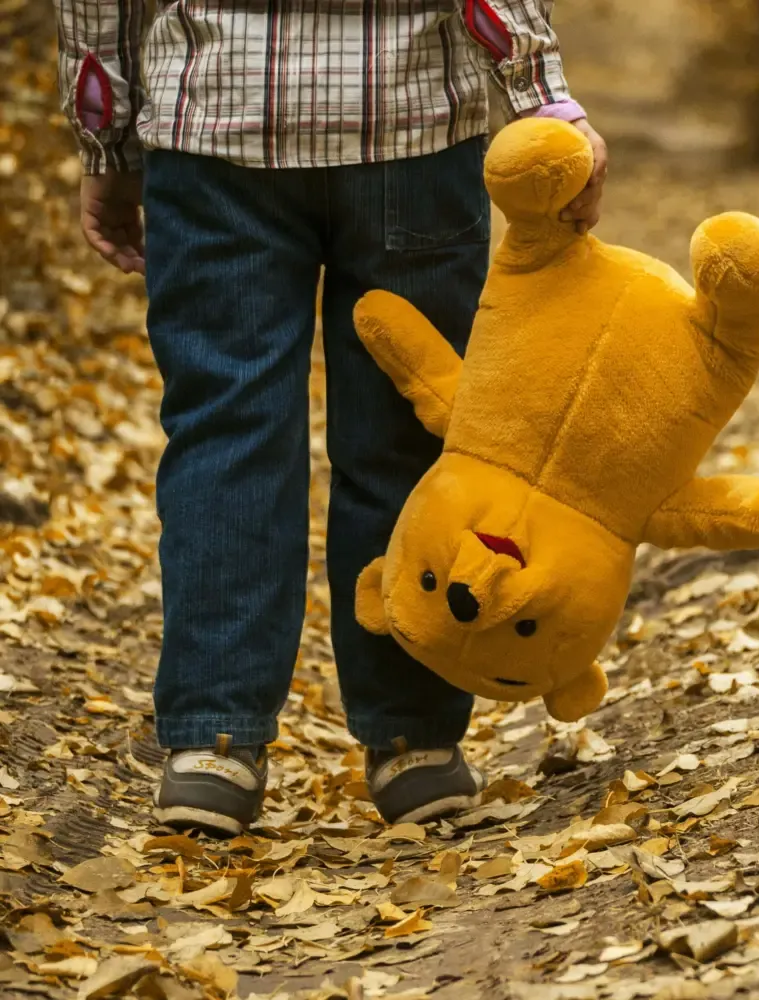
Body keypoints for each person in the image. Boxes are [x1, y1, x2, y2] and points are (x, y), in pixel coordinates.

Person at [52, 0, 608, 836]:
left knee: (225, 427)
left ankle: (216, 747)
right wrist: (541, 94)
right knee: (407, 427)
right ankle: (413, 744)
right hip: (409, 119)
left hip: (215, 126)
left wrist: (108, 136)